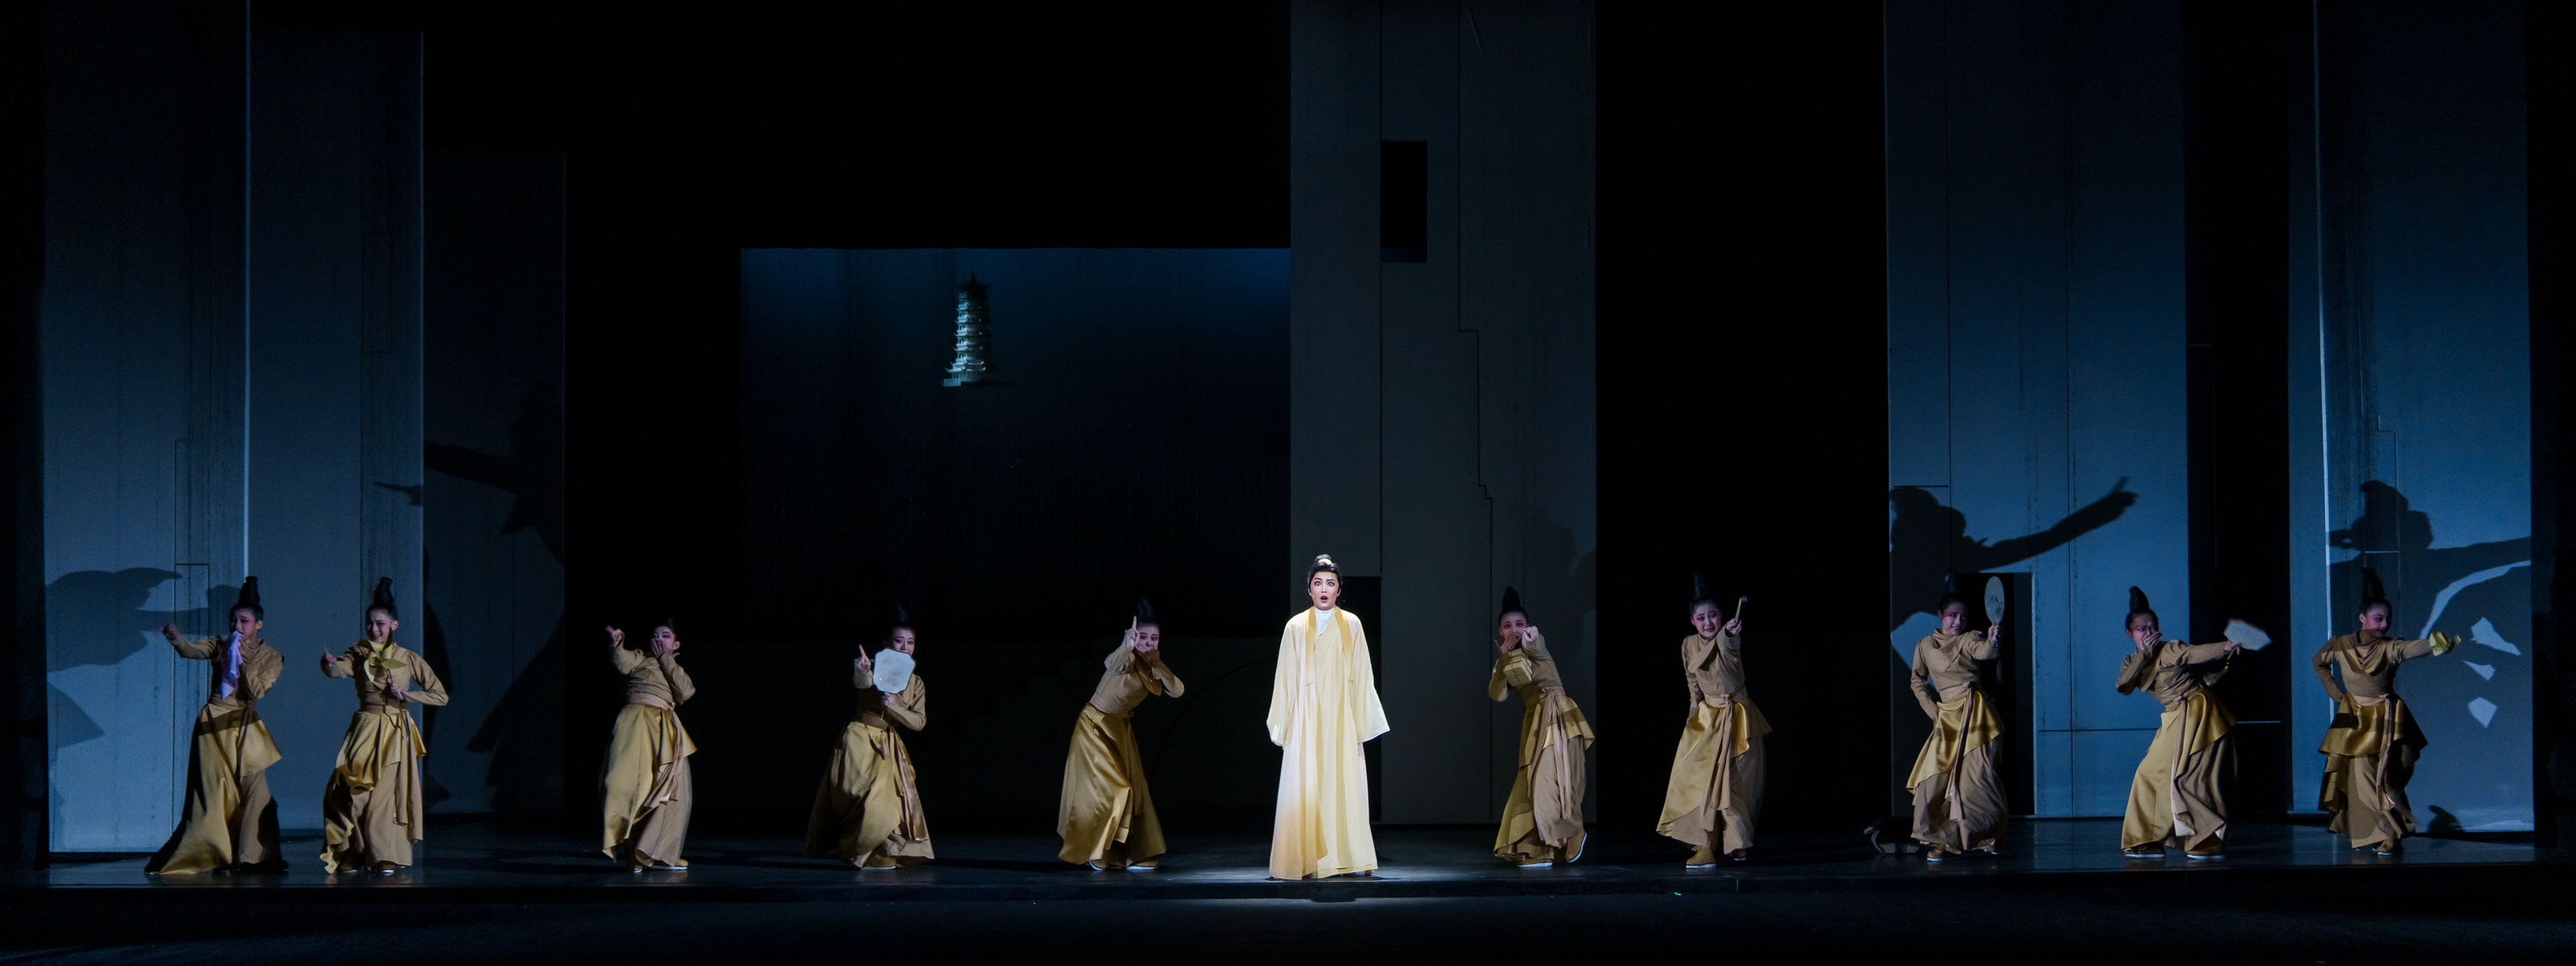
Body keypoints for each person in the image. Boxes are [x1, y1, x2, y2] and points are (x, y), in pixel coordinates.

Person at [2313, 568, 2458, 855]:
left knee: (2388, 778)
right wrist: (2333, 691)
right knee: (2363, 778)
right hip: (2355, 720)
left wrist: (2433, 644)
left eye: (2387, 619)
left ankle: (2392, 831)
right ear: (2362, 618)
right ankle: (2386, 834)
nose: (2384, 624)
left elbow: (2411, 648)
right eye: (2378, 618)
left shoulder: (2389, 648)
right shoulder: (2341, 645)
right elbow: (2319, 662)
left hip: (2387, 719)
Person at [147, 578, 286, 874]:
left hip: (245, 725)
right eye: (234, 620)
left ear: (258, 625)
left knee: (256, 791)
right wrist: (176, 637)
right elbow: (191, 650)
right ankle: (214, 854)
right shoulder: (220, 645)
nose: (237, 626)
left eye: (244, 621)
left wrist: (240, 660)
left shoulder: (271, 657)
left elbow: (257, 691)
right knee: (214, 791)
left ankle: (254, 857)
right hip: (214, 723)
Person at [1266, 554, 1390, 879]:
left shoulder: (1352, 625)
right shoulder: (1295, 626)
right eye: (1318, 583)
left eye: (1330, 583)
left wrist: (1361, 723)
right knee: (1306, 786)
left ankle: (1350, 856)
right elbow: (1284, 678)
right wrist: (1283, 725)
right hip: (1306, 716)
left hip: (1340, 717)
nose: (1324, 589)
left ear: (1339, 590)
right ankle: (1307, 859)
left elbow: (1362, 675)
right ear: (1309, 589)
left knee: (1343, 784)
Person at [318, 578, 450, 874]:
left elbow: (439, 695)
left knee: (382, 798)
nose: (374, 629)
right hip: (365, 729)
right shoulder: (359, 653)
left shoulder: (408, 658)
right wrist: (329, 664)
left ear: (394, 625)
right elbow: (339, 669)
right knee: (350, 791)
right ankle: (353, 852)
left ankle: (383, 855)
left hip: (394, 732)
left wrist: (406, 695)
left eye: (380, 623)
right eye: (370, 623)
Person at [2115, 586, 2243, 859]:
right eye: (2141, 629)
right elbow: (2123, 686)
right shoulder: (2132, 661)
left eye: (2153, 627)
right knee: (2148, 774)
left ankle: (2207, 839)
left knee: (2191, 777)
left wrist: (2225, 647)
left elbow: (2194, 653)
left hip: (2197, 711)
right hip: (2175, 716)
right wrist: (2143, 656)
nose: (2149, 633)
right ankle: (2146, 839)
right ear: (2129, 633)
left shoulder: (2169, 649)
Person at [1057, 599, 1185, 870]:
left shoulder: (1152, 664)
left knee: (1136, 792)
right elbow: (1112, 664)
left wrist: (1157, 662)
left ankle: (1131, 854)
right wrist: (1127, 644)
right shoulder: (1127, 657)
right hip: (1094, 726)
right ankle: (1095, 850)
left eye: (1154, 638)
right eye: (1143, 637)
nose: (1148, 642)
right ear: (1134, 635)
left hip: (1120, 730)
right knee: (1114, 790)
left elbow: (1177, 690)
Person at [806, 605, 933, 869]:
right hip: (860, 740)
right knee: (858, 798)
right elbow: (862, 683)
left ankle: (876, 853)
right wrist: (862, 670)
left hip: (888, 744)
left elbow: (919, 722)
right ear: (887, 644)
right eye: (899, 641)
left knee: (887, 802)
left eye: (910, 642)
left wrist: (895, 707)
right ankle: (853, 847)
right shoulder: (874, 666)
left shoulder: (916, 682)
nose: (905, 647)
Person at [1656, 573, 1769, 866]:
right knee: (1696, 782)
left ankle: (1737, 841)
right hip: (1707, 719)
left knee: (1735, 785)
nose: (1708, 622)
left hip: (1738, 717)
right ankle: (1703, 845)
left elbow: (1728, 643)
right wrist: (1693, 709)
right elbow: (1692, 680)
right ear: (1692, 621)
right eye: (1701, 618)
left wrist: (1729, 633)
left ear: (1722, 616)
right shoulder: (1688, 645)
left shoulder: (1728, 638)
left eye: (1713, 615)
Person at [1487, 586, 1594, 867]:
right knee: (1532, 785)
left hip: (1557, 716)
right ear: (1500, 630)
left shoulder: (1535, 642)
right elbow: (1497, 695)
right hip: (1535, 723)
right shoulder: (1505, 660)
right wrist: (1503, 659)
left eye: (1519, 624)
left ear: (1528, 626)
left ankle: (1573, 832)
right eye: (1507, 626)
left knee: (1554, 781)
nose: (1514, 630)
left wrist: (1531, 639)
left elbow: (1537, 647)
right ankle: (1538, 849)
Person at [1905, 580, 2006, 860]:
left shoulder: (1970, 638)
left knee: (1978, 781)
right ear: (1940, 615)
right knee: (1933, 782)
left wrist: (1992, 640)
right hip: (1947, 718)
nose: (1958, 621)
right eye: (1952, 615)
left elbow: (1985, 652)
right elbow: (1917, 681)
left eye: (1963, 616)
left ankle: (1986, 835)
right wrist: (1933, 710)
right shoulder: (1925, 646)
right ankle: (1941, 840)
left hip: (1977, 716)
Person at [602, 618, 696, 871]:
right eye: (655, 635)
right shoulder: (641, 659)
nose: (659, 639)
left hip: (666, 729)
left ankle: (663, 853)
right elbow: (622, 662)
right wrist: (616, 645)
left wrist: (666, 659)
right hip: (637, 722)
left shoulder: (675, 669)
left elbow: (685, 692)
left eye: (665, 636)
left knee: (675, 792)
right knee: (630, 785)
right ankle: (633, 850)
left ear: (676, 644)